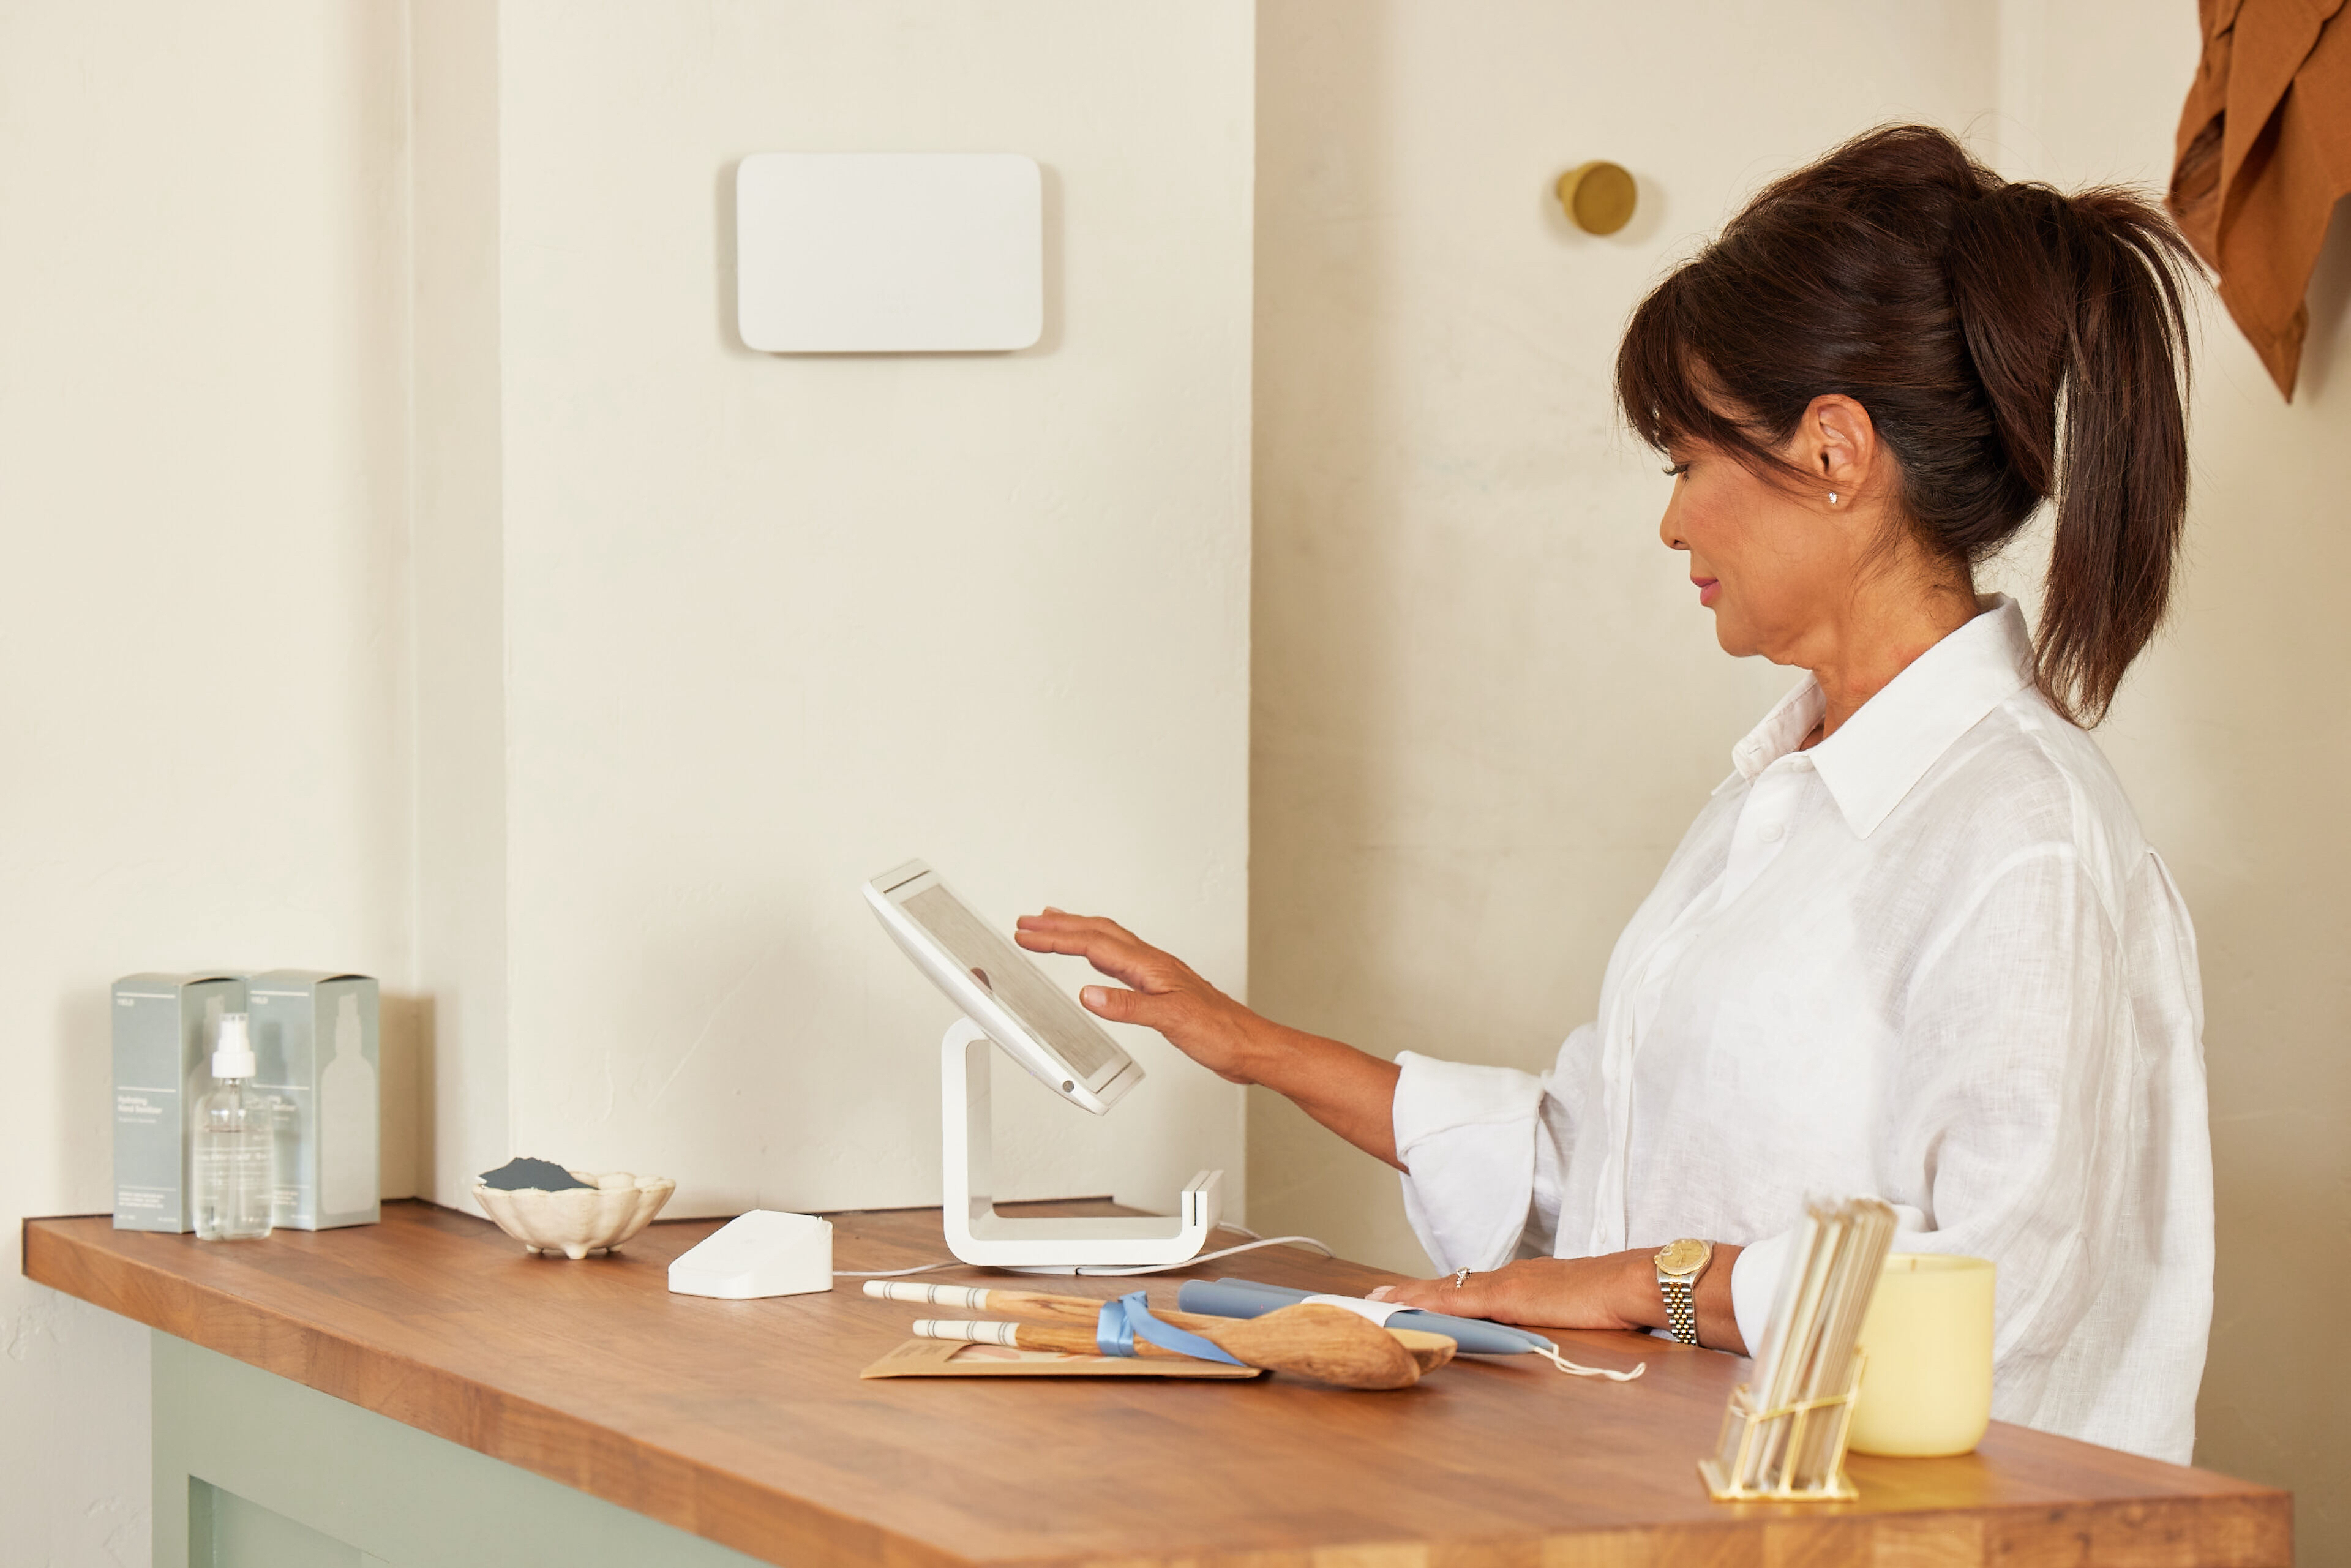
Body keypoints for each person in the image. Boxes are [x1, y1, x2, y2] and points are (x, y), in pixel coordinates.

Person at [1015, 124, 2211, 1465]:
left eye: (1686, 463)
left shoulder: (2020, 831)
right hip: (1692, 1496)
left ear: (1835, 452)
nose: (1672, 521)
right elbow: (1600, 1165)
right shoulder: (1778, 798)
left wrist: (1655, 1284)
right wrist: (1252, 1046)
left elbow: (2000, 1287)